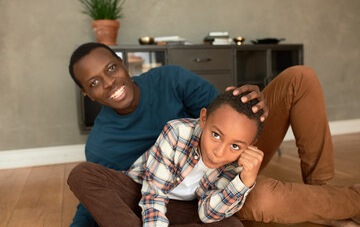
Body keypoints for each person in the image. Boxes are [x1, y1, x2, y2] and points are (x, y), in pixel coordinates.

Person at [68, 42, 360, 227]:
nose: (110, 83)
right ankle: (335, 204)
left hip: (232, 145)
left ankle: (323, 195)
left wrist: (254, 102)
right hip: (195, 196)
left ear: (122, 63)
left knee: (299, 78)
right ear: (87, 93)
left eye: (111, 68)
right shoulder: (101, 145)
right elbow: (100, 198)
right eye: (95, 82)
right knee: (262, 200)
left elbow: (223, 109)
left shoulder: (170, 78)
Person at [68, 91, 265, 226]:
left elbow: (208, 213)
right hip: (139, 192)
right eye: (216, 135)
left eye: (235, 146)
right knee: (83, 174)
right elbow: (154, 195)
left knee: (232, 225)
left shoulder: (241, 163)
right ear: (203, 119)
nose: (220, 152)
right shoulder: (178, 131)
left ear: (251, 145)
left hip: (181, 209)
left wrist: (245, 181)